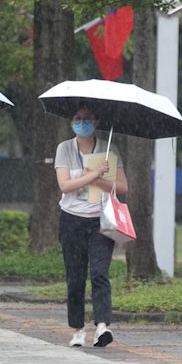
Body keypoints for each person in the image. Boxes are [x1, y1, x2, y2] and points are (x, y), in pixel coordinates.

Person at [54, 103, 128, 348]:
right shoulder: (64, 149)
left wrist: (101, 178)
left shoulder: (109, 150)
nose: (81, 122)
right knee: (75, 277)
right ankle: (77, 329)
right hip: (71, 219)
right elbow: (65, 186)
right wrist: (94, 174)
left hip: (100, 221)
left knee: (99, 273)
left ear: (97, 122)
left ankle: (102, 326)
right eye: (77, 118)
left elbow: (122, 187)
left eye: (87, 119)